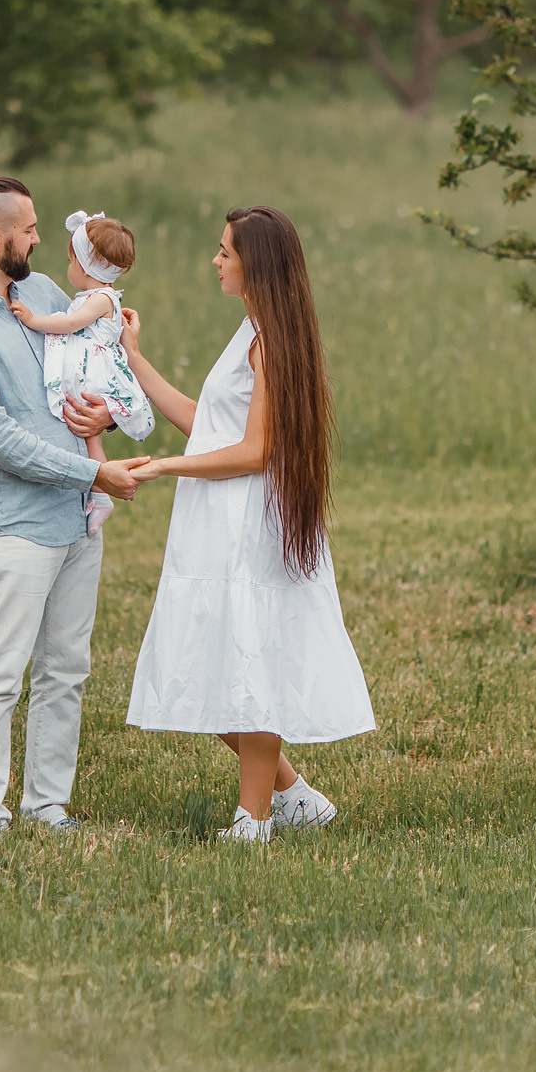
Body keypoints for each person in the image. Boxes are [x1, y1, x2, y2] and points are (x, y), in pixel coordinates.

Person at [122, 205, 375, 843]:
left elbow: (257, 451)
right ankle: (295, 797)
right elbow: (210, 423)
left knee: (249, 665)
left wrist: (163, 469)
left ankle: (253, 818)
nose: (215, 261)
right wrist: (133, 359)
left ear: (253, 264)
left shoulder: (271, 342)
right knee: (209, 664)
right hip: (221, 518)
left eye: (225, 252)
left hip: (249, 522)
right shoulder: (253, 331)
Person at [0, 175, 150, 838]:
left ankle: (47, 806)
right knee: (1, 669)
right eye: (30, 227)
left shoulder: (46, 294)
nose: (41, 237)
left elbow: (87, 369)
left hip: (78, 517)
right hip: (18, 524)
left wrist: (105, 409)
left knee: (66, 670)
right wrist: (95, 472)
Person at [11, 210, 155, 539]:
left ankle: (99, 492)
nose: (68, 266)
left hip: (93, 373)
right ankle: (100, 495)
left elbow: (69, 325)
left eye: (70, 260)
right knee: (88, 432)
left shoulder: (101, 298)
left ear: (86, 266)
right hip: (90, 368)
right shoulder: (99, 297)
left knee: (83, 422)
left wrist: (33, 320)